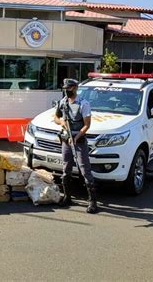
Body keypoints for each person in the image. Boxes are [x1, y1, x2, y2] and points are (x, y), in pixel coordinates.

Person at [54, 78, 99, 214]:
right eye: (65, 88)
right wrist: (61, 122)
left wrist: (76, 137)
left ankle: (92, 201)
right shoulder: (63, 103)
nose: (66, 91)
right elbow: (56, 117)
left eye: (69, 88)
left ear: (75, 88)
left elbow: (87, 125)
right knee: (66, 168)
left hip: (78, 140)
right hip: (66, 139)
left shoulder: (83, 104)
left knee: (85, 169)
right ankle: (67, 197)